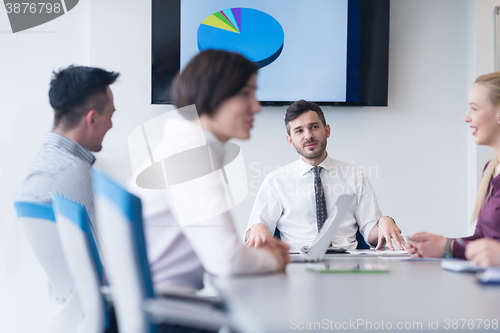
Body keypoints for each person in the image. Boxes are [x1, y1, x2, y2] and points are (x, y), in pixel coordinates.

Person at [128, 50, 289, 297]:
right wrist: (274, 259)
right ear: (212, 93)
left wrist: (255, 255)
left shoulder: (183, 145)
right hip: (168, 314)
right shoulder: (190, 154)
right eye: (246, 94)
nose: (256, 107)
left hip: (158, 305)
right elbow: (227, 261)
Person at [244, 100, 406, 251]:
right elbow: (251, 236)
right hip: (297, 264)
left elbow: (371, 237)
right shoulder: (276, 181)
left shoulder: (355, 175)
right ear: (290, 140)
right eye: (299, 131)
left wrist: (385, 222)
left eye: (314, 127)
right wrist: (256, 227)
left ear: (327, 130)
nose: (308, 136)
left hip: (347, 265)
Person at [19, 65, 119, 262]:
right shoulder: (71, 171)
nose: (112, 124)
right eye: (111, 115)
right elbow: (106, 261)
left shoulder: (46, 164)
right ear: (92, 118)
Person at [408, 73, 500, 262]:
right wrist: (441, 246)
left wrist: (446, 246)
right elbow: (483, 240)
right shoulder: (490, 169)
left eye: (474, 109)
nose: (466, 118)